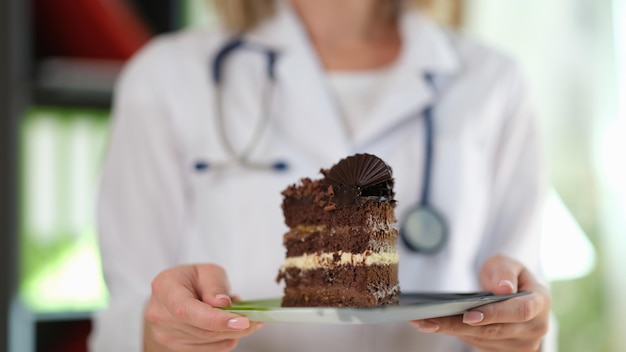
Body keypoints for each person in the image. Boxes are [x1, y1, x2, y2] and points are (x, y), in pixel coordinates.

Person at [89, 0, 554, 351]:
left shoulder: (494, 82)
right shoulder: (167, 77)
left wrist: (520, 326)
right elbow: (126, 317)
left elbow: (528, 312)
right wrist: (161, 329)